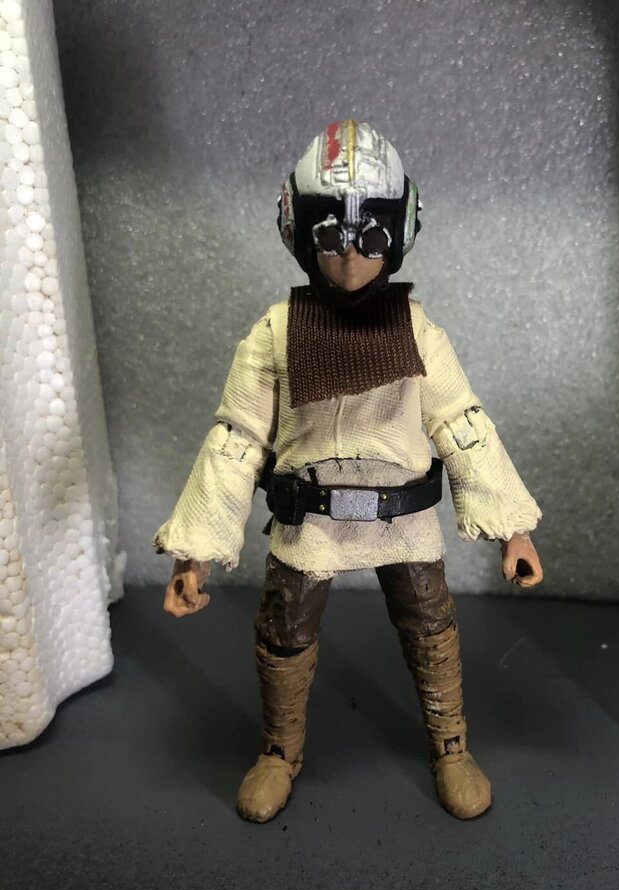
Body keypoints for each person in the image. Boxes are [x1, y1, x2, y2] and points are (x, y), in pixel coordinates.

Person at [154, 120, 543, 822]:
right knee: (285, 632)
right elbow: (237, 439)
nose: (352, 257)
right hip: (309, 523)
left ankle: (451, 743)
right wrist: (196, 549)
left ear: (401, 231)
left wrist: (511, 527)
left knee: (430, 627)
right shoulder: (276, 333)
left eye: (372, 237)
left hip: (404, 520)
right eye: (332, 236)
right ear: (299, 231)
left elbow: (462, 425)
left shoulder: (416, 330)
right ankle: (279, 749)